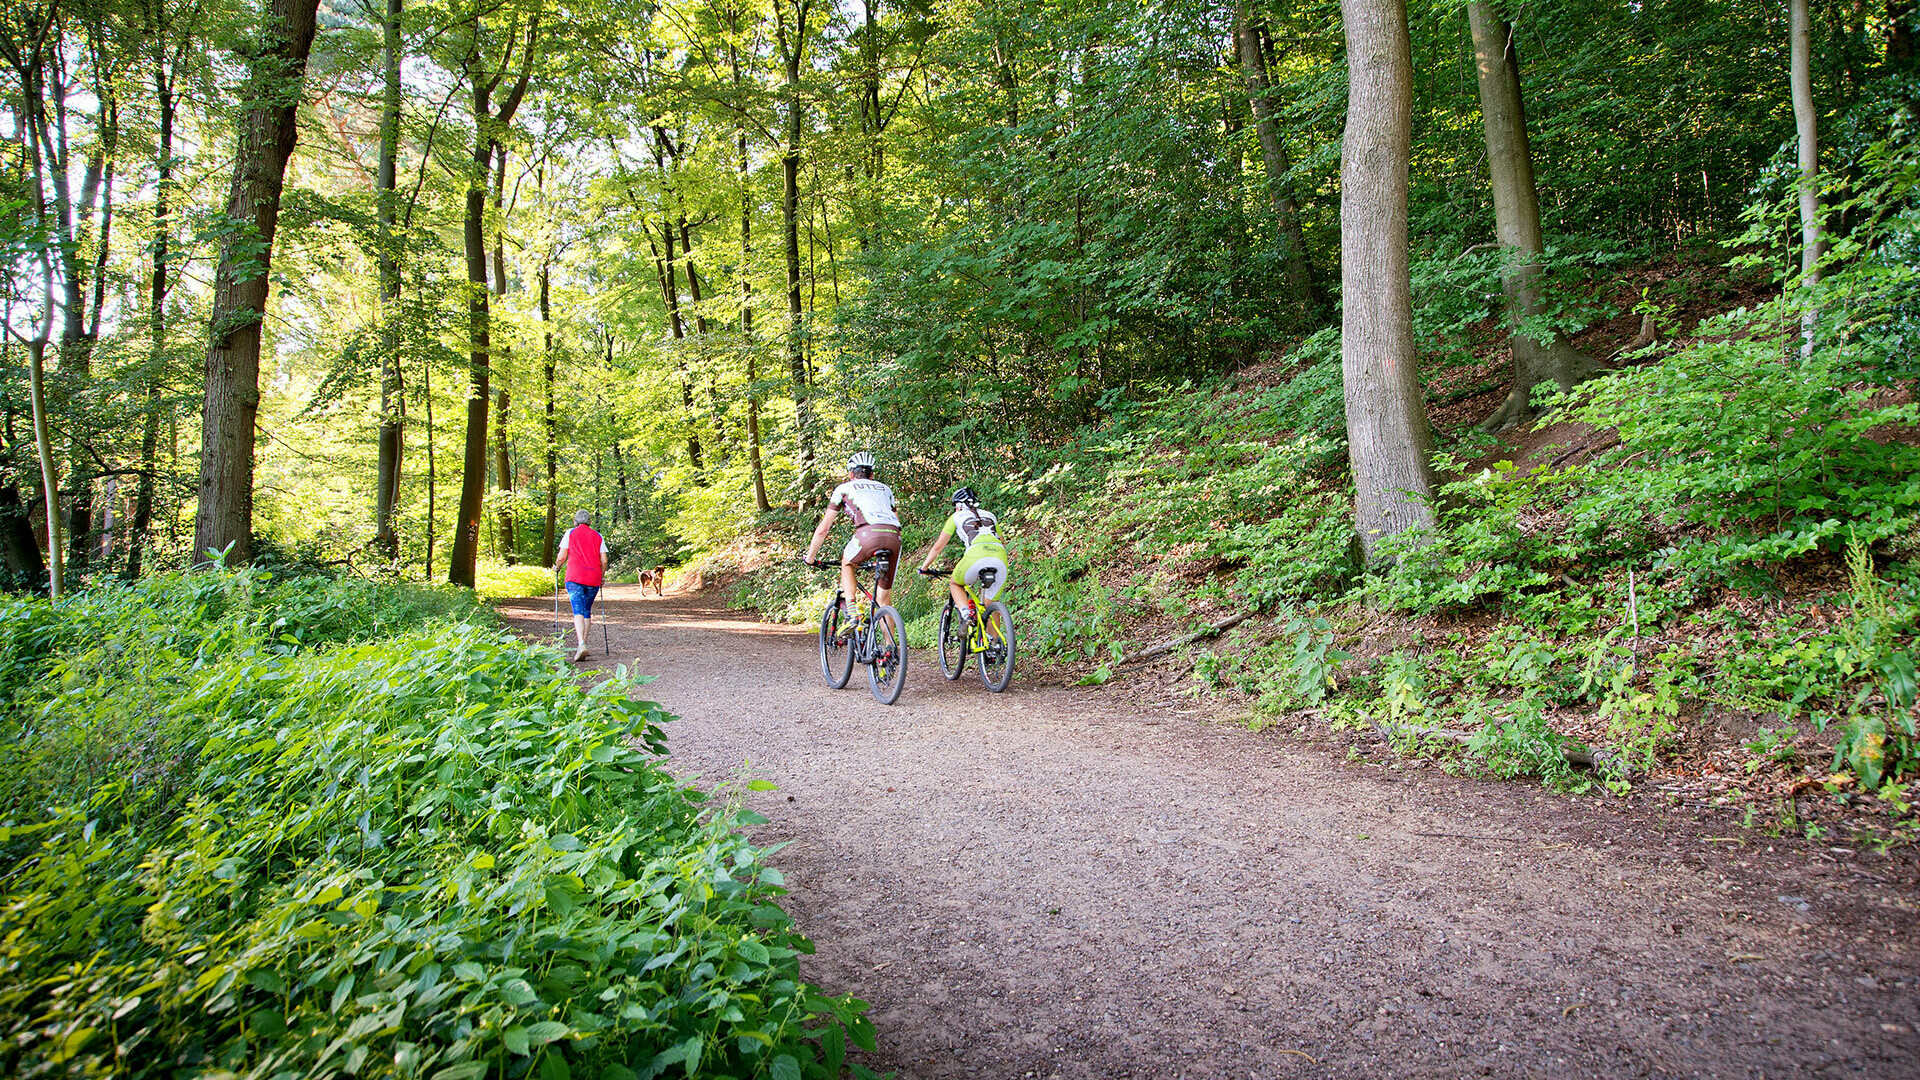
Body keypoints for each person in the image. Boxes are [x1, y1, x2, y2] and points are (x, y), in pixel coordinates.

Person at [803, 451, 902, 619]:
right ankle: (889, 646)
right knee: (884, 602)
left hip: (867, 535)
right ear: (872, 475)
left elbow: (823, 529)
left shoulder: (843, 489)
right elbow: (897, 523)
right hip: (894, 538)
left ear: (850, 474)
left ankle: (851, 612)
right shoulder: (886, 489)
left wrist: (810, 557)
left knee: (847, 564)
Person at [918, 486, 1008, 626]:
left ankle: (966, 615)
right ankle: (994, 644)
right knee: (991, 605)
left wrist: (924, 567)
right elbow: (1002, 542)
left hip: (975, 556)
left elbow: (938, 547)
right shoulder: (990, 515)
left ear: (958, 506)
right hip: (1000, 558)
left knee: (955, 583)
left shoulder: (956, 517)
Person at [554, 509, 607, 662]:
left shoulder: (570, 533)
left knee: (577, 610)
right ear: (589, 521)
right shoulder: (598, 535)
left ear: (575, 521)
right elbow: (604, 560)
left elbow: (562, 555)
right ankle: (582, 644)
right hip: (593, 578)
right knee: (586, 611)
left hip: (575, 577)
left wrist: (557, 567)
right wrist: (601, 576)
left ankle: (581, 644)